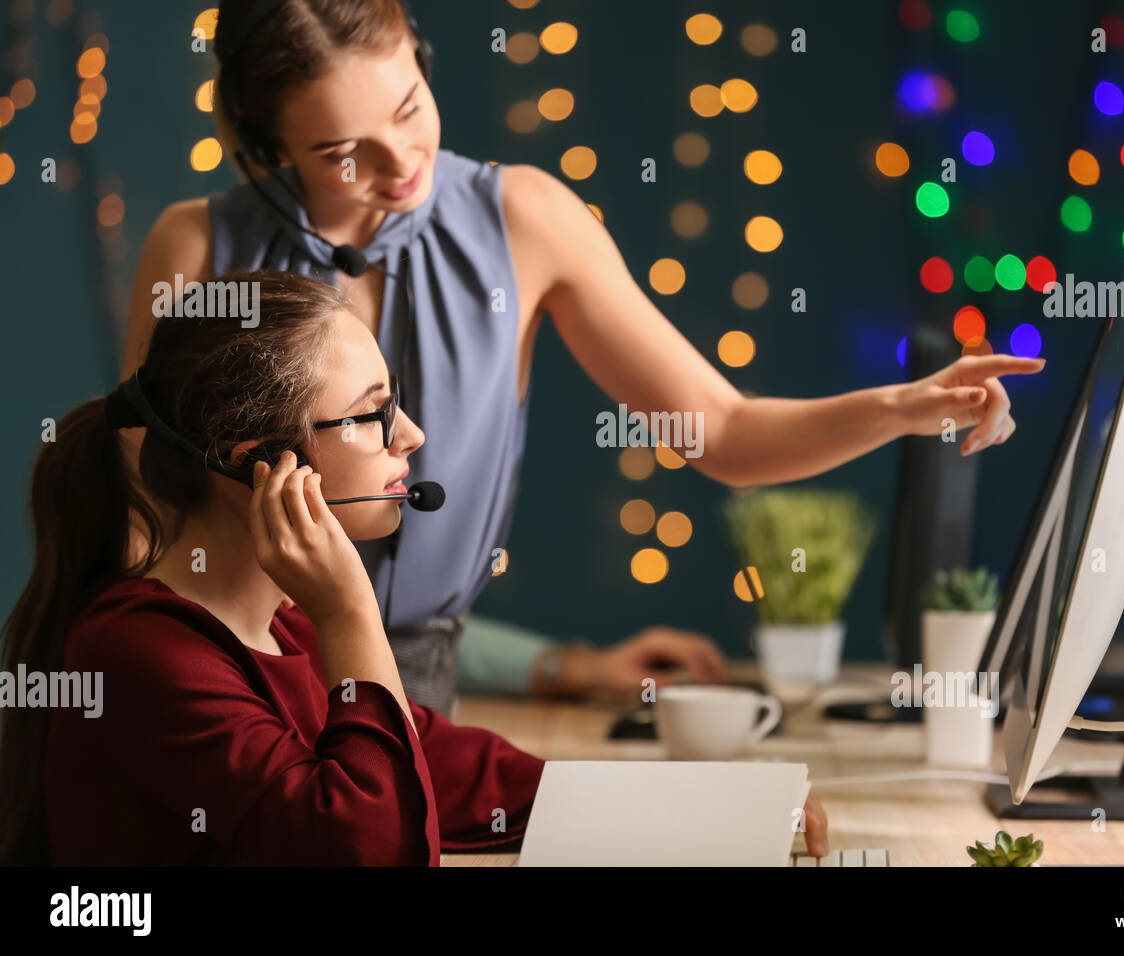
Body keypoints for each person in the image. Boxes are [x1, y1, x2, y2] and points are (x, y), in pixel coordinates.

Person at [123, 0, 1044, 716]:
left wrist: (903, 408)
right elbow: (141, 519)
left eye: (410, 108)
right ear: (263, 148)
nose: (400, 162)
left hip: (426, 688)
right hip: (234, 681)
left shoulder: (524, 220)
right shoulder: (195, 248)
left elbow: (719, 430)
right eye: (340, 153)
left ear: (426, 66)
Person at [0, 269, 832, 864]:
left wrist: (714, 807)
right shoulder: (146, 655)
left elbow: (437, 762)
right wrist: (352, 612)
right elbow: (371, 848)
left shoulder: (275, 627)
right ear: (261, 464)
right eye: (371, 415)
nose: (411, 436)